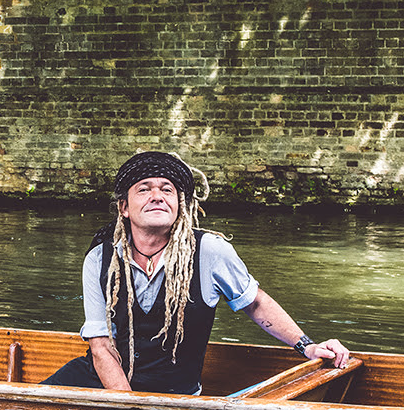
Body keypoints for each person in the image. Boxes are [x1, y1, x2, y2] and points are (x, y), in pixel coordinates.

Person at [43, 151, 350, 394]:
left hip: (174, 396)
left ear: (180, 205)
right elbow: (101, 346)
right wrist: (130, 409)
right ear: (124, 207)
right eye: (144, 189)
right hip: (99, 387)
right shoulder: (100, 258)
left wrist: (308, 346)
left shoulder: (210, 252)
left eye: (167, 190)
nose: (157, 196)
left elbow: (255, 302)